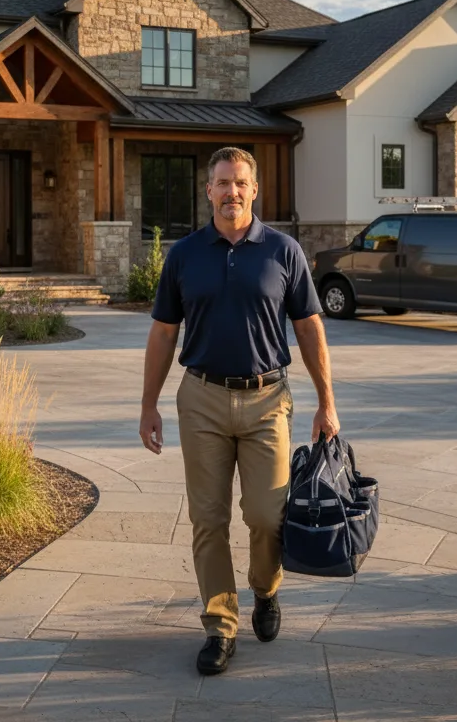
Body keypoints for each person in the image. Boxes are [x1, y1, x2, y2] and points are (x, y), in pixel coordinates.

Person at [138, 146, 340, 676]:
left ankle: (266, 590)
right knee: (208, 520)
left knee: (267, 516)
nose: (231, 192)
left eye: (240, 183)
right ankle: (220, 626)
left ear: (255, 190)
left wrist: (326, 403)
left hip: (268, 400)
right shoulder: (184, 254)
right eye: (222, 183)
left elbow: (309, 327)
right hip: (201, 398)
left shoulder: (283, 251)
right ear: (209, 191)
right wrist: (148, 405)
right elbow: (163, 332)